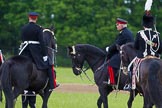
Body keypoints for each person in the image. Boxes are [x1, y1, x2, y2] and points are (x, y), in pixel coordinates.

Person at [19, 12, 57, 91]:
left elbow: (22, 39)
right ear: (36, 18)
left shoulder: (23, 28)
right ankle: (52, 84)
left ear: (29, 18)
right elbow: (42, 43)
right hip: (35, 52)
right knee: (49, 65)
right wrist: (45, 55)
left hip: (24, 50)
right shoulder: (39, 28)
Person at [125, 11, 162, 90]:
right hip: (156, 57)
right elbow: (160, 49)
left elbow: (136, 46)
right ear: (152, 24)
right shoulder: (157, 34)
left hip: (142, 57)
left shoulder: (140, 33)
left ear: (143, 24)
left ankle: (130, 85)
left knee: (129, 67)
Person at [106, 18, 134, 86]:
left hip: (125, 54)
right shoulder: (127, 32)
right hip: (128, 53)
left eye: (118, 24)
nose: (116, 26)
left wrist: (109, 49)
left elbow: (116, 44)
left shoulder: (124, 34)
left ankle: (112, 81)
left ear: (122, 25)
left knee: (110, 63)